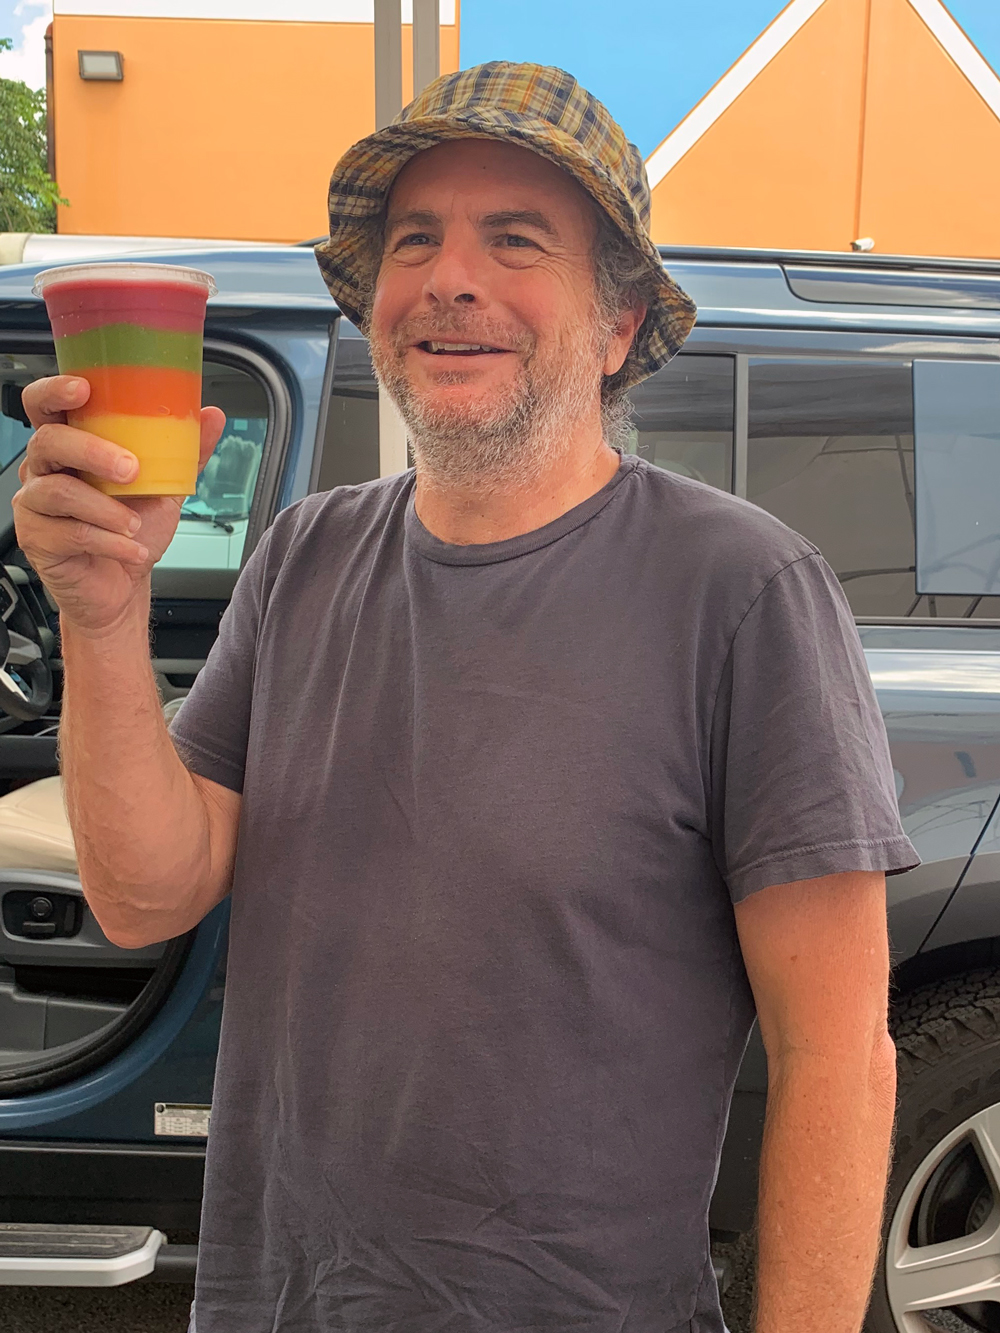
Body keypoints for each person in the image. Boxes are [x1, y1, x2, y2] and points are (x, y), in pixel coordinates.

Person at [14, 63, 917, 1333]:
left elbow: (839, 1058)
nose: (450, 277)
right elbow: (144, 890)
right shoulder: (303, 554)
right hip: (280, 1304)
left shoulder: (743, 589)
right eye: (415, 240)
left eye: (516, 240)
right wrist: (101, 616)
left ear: (614, 325)